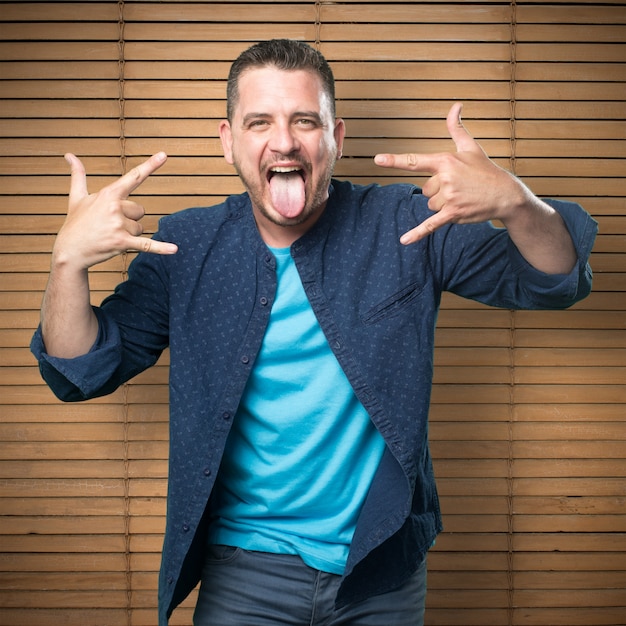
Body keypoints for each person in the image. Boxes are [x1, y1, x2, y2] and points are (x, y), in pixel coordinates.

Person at [31, 39, 597, 626]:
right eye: (260, 122)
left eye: (305, 120)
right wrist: (67, 262)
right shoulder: (185, 247)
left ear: (336, 137)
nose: (284, 141)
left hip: (378, 563)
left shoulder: (407, 225)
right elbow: (82, 370)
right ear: (229, 142)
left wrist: (517, 204)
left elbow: (555, 279)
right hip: (243, 568)